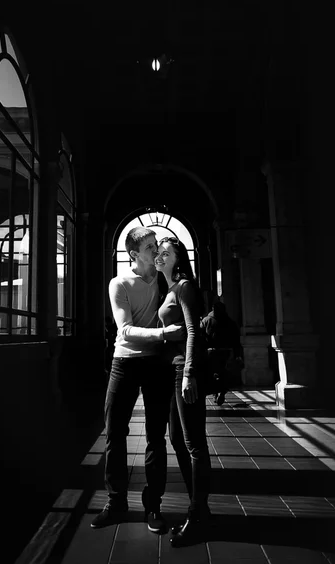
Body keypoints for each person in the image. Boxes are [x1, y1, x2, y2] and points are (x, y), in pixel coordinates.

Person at [91, 227, 185, 533]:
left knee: (156, 438)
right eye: (149, 247)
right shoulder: (119, 283)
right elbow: (125, 330)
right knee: (114, 434)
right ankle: (116, 502)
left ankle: (153, 507)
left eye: (157, 245)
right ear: (134, 254)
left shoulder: (162, 279)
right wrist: (163, 334)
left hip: (156, 365)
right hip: (125, 363)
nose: (156, 250)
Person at [155, 237, 212, 548]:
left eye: (167, 252)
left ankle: (198, 514)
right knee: (178, 439)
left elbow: (193, 331)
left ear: (178, 259)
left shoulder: (185, 286)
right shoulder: (169, 290)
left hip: (184, 372)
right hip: (173, 371)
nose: (160, 256)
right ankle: (199, 508)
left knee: (194, 444)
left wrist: (189, 373)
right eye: (159, 252)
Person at [201, 301, 244, 388]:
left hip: (210, 351)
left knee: (211, 372)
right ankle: (222, 390)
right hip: (225, 351)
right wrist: (237, 354)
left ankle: (215, 390)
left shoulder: (206, 320)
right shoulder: (229, 322)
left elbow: (200, 335)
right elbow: (235, 339)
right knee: (223, 372)